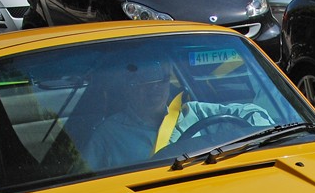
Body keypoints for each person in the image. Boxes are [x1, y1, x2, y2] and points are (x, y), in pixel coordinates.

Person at [80, 58, 273, 169]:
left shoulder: (194, 112)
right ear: (128, 88)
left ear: (168, 83)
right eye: (144, 83)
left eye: (160, 81)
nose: (154, 89)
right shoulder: (108, 134)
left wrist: (267, 137)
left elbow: (252, 114)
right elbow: (86, 181)